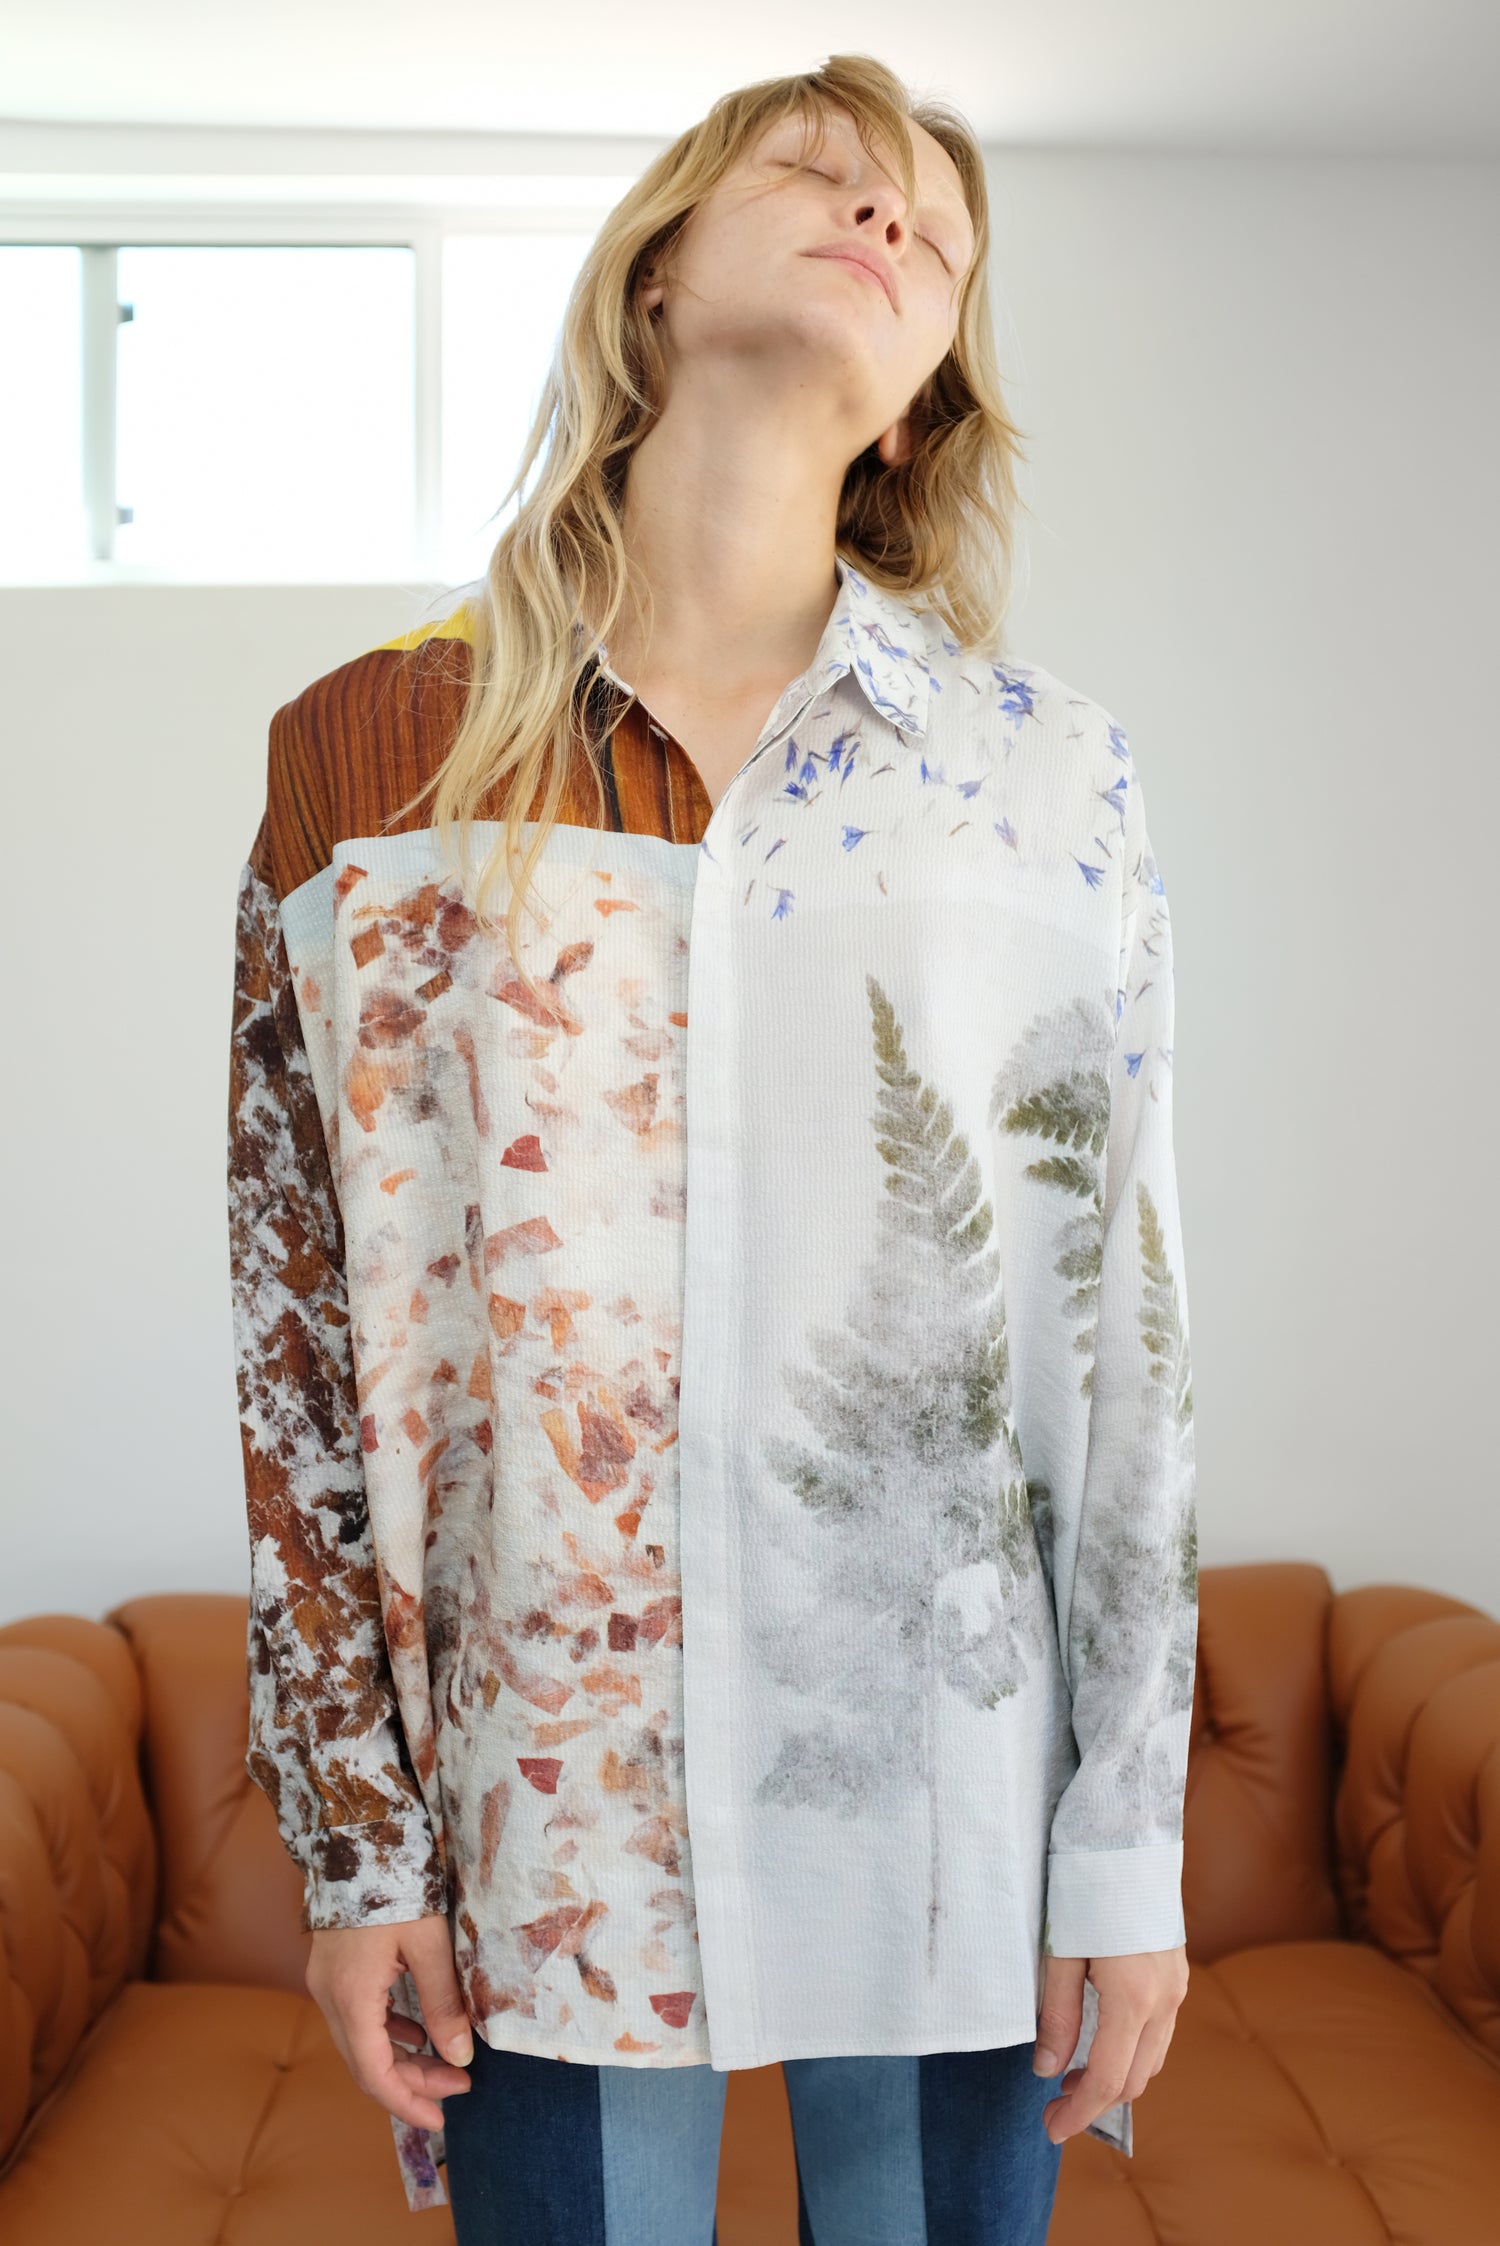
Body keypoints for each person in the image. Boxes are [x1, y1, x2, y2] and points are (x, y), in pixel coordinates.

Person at [227, 49, 1197, 2246]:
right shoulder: (373, 755)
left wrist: (1126, 1846)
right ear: (656, 269)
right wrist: (357, 1846)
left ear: (921, 401)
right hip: (544, 1803)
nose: (885, 218)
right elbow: (300, 1331)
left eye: (933, 231)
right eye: (820, 172)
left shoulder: (1050, 786)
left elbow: (1125, 1340)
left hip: (947, 1799)